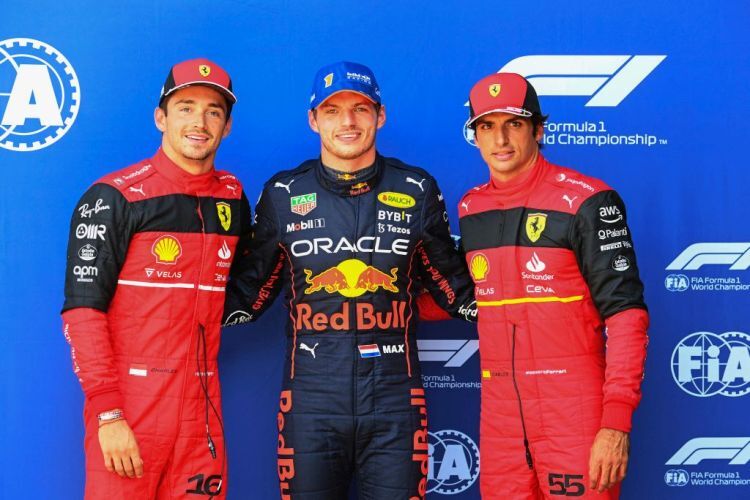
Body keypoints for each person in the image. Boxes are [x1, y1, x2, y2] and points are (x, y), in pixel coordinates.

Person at [222, 61, 475, 500]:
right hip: (311, 399)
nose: (348, 122)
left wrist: (534, 299)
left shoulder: (415, 188)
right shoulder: (283, 194)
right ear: (313, 119)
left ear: (380, 115)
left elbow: (453, 288)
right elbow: (250, 296)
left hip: (396, 397)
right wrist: (165, 303)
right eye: (333, 109)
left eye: (360, 108)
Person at [61, 58, 246, 499]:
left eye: (213, 111)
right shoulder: (114, 196)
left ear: (227, 126)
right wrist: (107, 413)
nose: (199, 122)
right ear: (160, 117)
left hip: (202, 411)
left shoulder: (233, 197)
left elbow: (243, 288)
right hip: (131, 408)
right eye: (185, 107)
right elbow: (83, 312)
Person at [458, 73, 649, 499]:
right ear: (474, 134)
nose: (500, 139)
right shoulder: (472, 209)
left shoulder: (588, 201)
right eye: (487, 126)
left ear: (539, 129)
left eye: (515, 123)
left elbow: (626, 316)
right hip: (501, 422)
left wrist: (616, 423)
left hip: (574, 412)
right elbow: (465, 297)